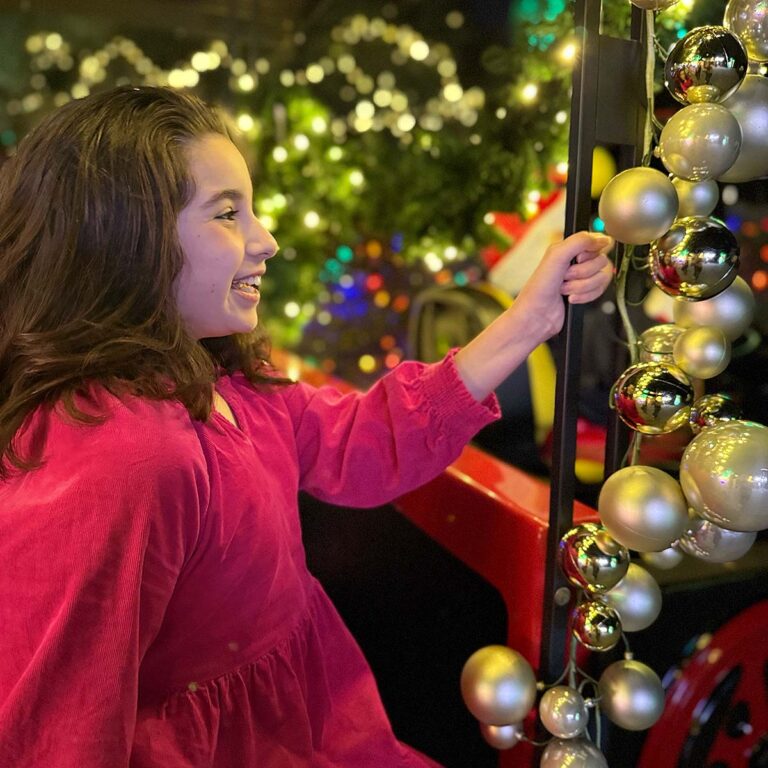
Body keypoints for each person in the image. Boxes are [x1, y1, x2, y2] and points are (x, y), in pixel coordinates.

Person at [0, 86, 613, 768]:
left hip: (312, 730)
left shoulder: (228, 381)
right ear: (121, 240)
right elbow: (58, 722)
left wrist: (528, 321)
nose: (266, 241)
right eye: (227, 214)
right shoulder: (125, 456)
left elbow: (363, 441)